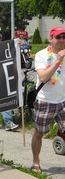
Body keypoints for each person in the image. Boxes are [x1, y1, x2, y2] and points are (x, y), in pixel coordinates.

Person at [31, 27, 65, 173]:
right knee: (39, 133)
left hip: (63, 101)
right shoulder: (41, 55)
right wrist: (58, 60)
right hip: (45, 102)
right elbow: (44, 77)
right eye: (58, 37)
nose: (62, 40)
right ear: (51, 39)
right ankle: (35, 162)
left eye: (64, 37)